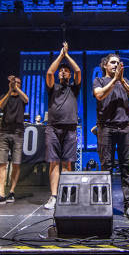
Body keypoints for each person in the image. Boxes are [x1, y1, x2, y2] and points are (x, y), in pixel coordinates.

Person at [93, 53, 129, 221]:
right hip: (106, 128)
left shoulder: (123, 81)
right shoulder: (99, 81)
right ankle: (105, 205)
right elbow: (99, 95)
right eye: (113, 63)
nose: (116, 65)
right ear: (105, 65)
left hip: (126, 127)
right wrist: (114, 80)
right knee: (106, 167)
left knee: (127, 167)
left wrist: (121, 81)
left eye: (118, 63)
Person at [43, 41, 81, 210]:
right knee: (53, 161)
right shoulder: (53, 87)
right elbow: (50, 72)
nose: (64, 72)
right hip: (53, 128)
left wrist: (67, 56)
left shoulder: (74, 88)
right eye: (62, 71)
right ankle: (53, 196)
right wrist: (60, 55)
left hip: (70, 128)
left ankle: (65, 194)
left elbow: (78, 71)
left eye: (67, 71)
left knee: (67, 163)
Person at [0, 76, 28, 206]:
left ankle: (12, 192)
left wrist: (16, 88)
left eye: (18, 83)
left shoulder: (21, 97)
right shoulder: (6, 95)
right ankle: (1, 194)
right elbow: (1, 105)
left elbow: (26, 99)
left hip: (18, 132)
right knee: (2, 163)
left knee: (16, 163)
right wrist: (10, 90)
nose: (16, 84)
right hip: (4, 131)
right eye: (14, 82)